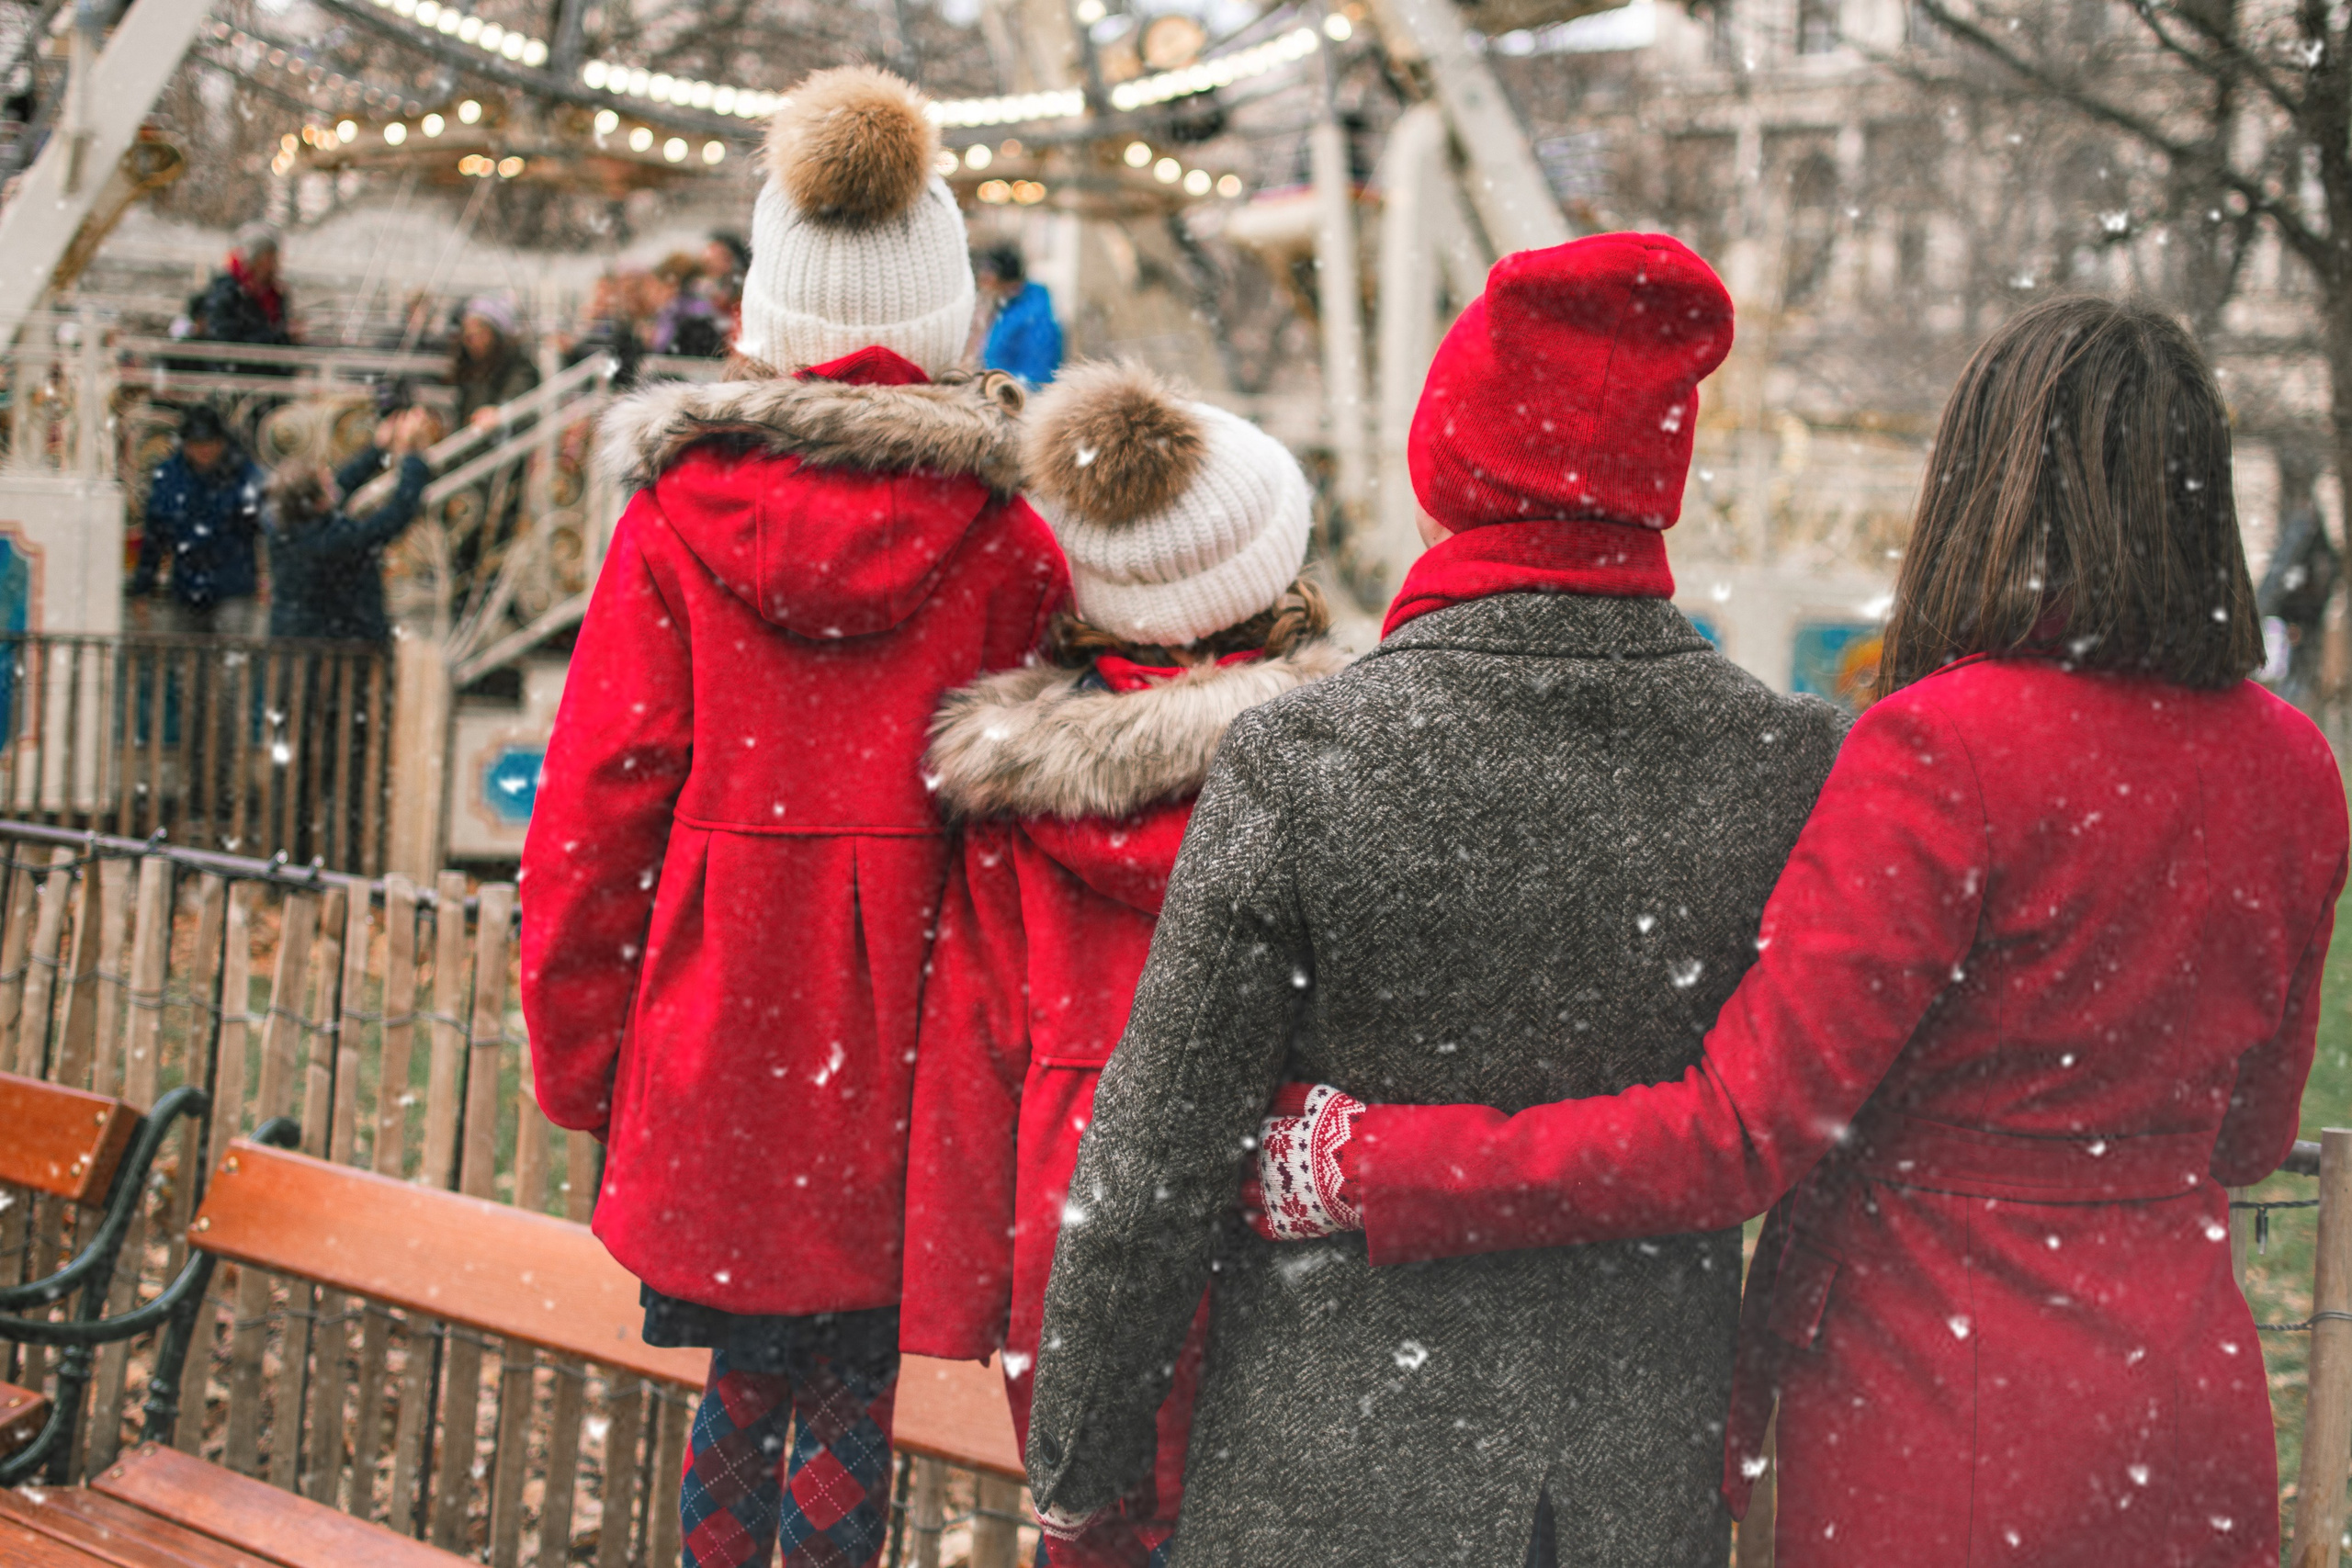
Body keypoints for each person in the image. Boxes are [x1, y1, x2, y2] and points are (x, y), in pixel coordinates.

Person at [1239, 296, 2349, 1567]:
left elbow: (1734, 1136)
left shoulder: (1942, 748)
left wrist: (1364, 1159)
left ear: (1985, 490)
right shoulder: (2293, 765)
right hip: (2187, 1405)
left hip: (1944, 1404)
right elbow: (2255, 1129)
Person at [1023, 235, 1851, 1566]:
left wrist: (1081, 1460)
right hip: (1631, 1483)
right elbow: (1788, 1125)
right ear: (1661, 488)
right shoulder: (1785, 762)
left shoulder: (1309, 758)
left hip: (1329, 1470)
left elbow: (1157, 1155)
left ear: (1446, 473)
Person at [518, 65, 1068, 1568]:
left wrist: (586, 1058)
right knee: (849, 1385)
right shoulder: (1009, 546)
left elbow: (594, 814)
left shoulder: (676, 526)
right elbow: (1030, 837)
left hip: (719, 1033)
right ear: (948, 317)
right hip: (907, 1053)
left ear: (774, 315)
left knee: (744, 1377)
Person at [905, 362, 1345, 1568]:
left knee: (1096, 1528)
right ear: (1272, 570)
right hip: (1282, 1202)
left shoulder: (1014, 802)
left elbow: (971, 1043)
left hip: (1076, 1215)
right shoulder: (1338, 774)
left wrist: (954, 1291)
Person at [263, 408, 435, 642]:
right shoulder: (334, 541)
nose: (333, 482)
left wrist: (377, 449)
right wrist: (412, 455)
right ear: (320, 503)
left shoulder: (284, 528)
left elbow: (338, 487)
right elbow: (396, 516)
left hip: (295, 645)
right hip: (344, 646)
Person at [130, 404, 266, 637]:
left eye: (208, 444)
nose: (202, 451)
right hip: (190, 585)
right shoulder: (171, 477)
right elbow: (156, 532)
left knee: (225, 659)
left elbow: (262, 525)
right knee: (191, 659)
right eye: (195, 445)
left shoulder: (244, 475)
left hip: (231, 585)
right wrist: (143, 584)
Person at [451, 296, 541, 434]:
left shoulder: (518, 366)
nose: (472, 340)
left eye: (480, 332)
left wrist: (500, 413)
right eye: (468, 335)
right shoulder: (469, 369)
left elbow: (517, 396)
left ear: (496, 335)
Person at [196, 223, 294, 346]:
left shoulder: (274, 295)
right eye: (270, 259)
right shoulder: (227, 294)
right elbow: (226, 345)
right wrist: (282, 337)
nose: (275, 266)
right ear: (254, 261)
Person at [978, 244, 1061, 386]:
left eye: (988, 274)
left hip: (1017, 400)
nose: (983, 280)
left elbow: (1036, 376)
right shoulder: (1008, 307)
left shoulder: (1035, 317)